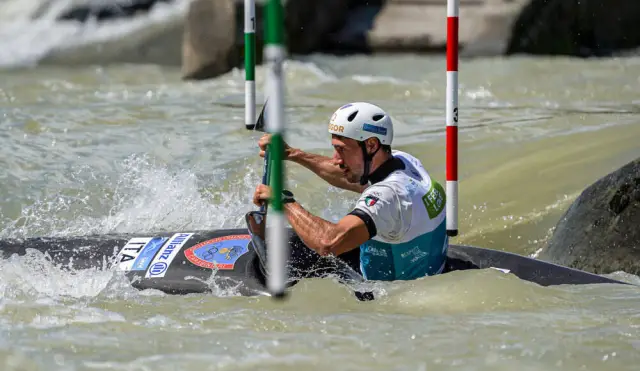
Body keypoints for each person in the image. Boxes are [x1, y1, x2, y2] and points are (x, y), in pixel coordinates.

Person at [252, 102, 448, 281]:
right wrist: (291, 154)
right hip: (424, 264)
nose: (336, 159)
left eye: (342, 150)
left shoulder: (389, 196)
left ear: (371, 145)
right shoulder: (402, 161)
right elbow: (344, 174)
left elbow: (328, 243)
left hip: (387, 297)